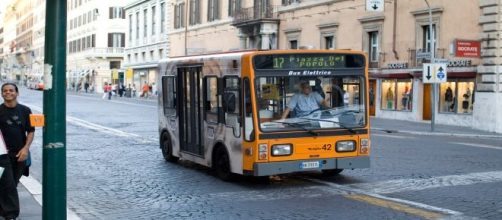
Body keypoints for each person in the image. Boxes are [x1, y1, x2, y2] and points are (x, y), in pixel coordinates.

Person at [0, 83, 35, 220]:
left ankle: (3, 210)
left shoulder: (26, 110)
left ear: (17, 93)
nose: (8, 93)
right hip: (2, 155)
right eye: (5, 91)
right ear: (2, 94)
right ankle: (11, 215)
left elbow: (31, 131)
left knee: (12, 183)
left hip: (20, 153)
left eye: (11, 90)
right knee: (7, 183)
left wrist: (26, 148)